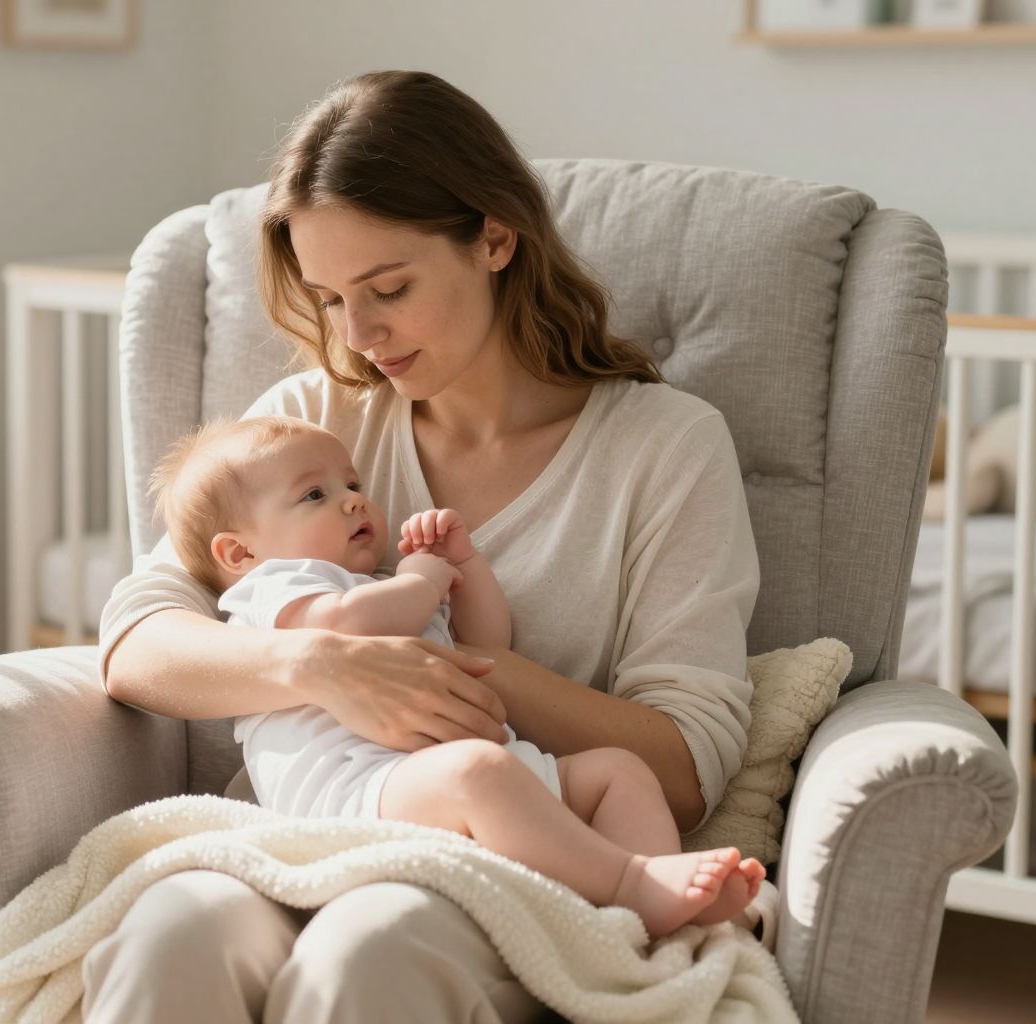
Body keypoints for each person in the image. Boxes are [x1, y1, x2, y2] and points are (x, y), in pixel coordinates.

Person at [88, 68, 760, 1023]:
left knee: (369, 955)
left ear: (495, 238)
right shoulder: (311, 427)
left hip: (513, 854)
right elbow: (138, 643)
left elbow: (685, 766)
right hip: (306, 831)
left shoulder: (665, 447)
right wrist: (320, 664)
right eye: (330, 299)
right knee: (170, 934)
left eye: (388, 289)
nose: (359, 335)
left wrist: (441, 674)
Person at [147, 413, 765, 938]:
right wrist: (422, 580)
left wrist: (463, 567)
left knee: (619, 772)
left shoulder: (382, 586)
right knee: (478, 774)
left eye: (353, 484)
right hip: (359, 798)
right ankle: (631, 883)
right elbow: (343, 626)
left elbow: (489, 646)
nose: (353, 499)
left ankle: (654, 911)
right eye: (315, 495)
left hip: (458, 779)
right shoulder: (274, 589)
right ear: (240, 552)